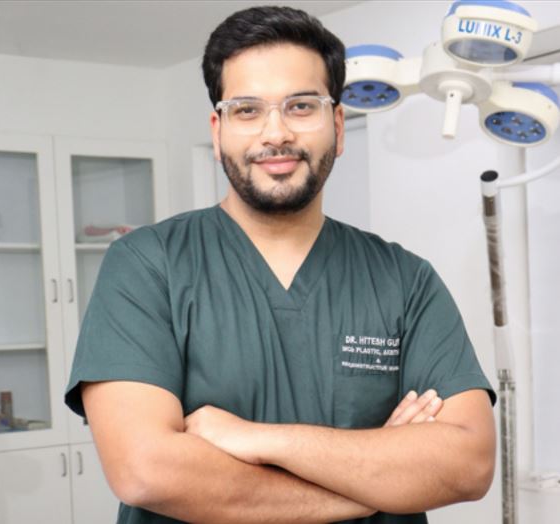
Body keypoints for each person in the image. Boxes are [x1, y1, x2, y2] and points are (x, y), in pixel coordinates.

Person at [65, 5, 496, 524]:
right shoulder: (147, 266)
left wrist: (256, 439)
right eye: (247, 110)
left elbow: (468, 465)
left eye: (301, 106)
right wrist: (376, 483)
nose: (276, 133)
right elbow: (146, 471)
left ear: (337, 124)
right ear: (218, 130)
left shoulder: (405, 281)